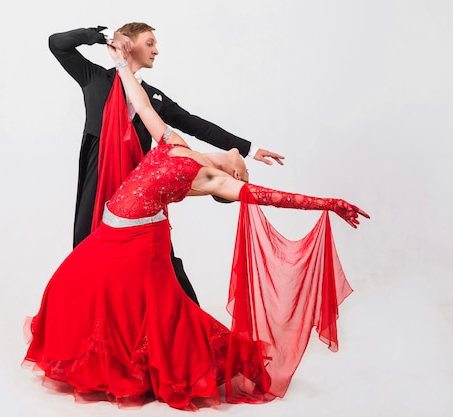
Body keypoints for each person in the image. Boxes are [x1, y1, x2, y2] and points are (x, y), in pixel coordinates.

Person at [22, 42, 369, 411]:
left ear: (231, 176)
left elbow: (272, 197)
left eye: (242, 172)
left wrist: (329, 204)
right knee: (74, 286)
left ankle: (162, 367)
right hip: (112, 233)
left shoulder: (210, 178)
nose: (241, 168)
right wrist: (122, 62)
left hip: (136, 244)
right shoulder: (175, 142)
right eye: (243, 168)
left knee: (136, 305)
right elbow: (141, 104)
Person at [49, 23, 285, 305]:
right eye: (149, 43)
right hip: (98, 175)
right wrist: (102, 36)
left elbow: (196, 125)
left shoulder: (154, 98)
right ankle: (84, 318)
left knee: (158, 253)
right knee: (88, 245)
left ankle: (188, 317)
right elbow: (57, 43)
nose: (156, 50)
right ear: (129, 43)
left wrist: (250, 149)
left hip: (139, 183)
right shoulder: (95, 78)